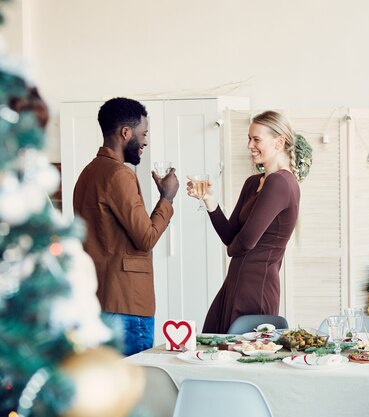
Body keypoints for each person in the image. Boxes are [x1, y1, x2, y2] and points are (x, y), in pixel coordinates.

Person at [73, 97, 179, 356]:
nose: (145, 141)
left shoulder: (88, 173)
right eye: (143, 134)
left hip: (99, 299)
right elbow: (146, 238)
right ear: (125, 133)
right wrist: (167, 198)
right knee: (134, 388)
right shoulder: (119, 175)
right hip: (127, 305)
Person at [188, 110, 307, 333]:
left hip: (256, 287)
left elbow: (245, 242)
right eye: (249, 138)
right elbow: (230, 236)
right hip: (235, 281)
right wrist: (209, 200)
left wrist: (234, 247)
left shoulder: (281, 183)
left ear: (279, 142)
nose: (250, 145)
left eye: (256, 139)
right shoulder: (254, 183)